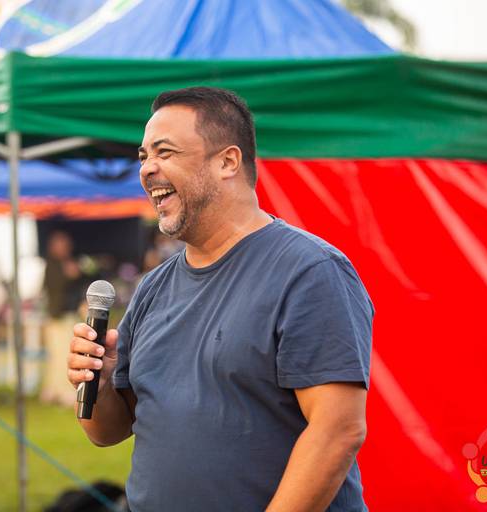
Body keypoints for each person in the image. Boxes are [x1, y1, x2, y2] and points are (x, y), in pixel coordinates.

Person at [67, 87, 374, 511]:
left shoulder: (309, 272)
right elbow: (109, 431)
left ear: (227, 161)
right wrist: (100, 386)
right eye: (143, 156)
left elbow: (337, 430)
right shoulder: (153, 289)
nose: (147, 169)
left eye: (164, 152)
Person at [41, 231, 84, 405]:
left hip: (68, 315)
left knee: (66, 354)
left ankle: (60, 390)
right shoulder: (52, 266)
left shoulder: (70, 263)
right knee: (59, 356)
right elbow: (53, 288)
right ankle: (58, 390)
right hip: (57, 316)